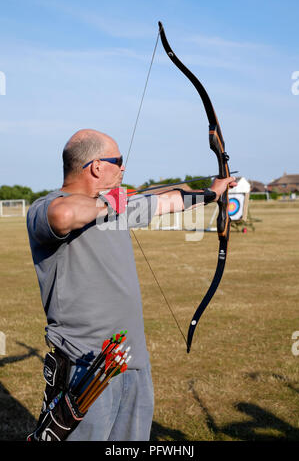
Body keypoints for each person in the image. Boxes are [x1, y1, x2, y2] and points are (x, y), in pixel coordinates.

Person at [26, 128, 236, 441]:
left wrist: (212, 193)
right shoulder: (45, 208)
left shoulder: (115, 207)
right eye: (118, 161)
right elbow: (65, 215)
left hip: (131, 361)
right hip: (85, 366)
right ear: (96, 166)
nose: (124, 168)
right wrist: (118, 204)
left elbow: (169, 202)